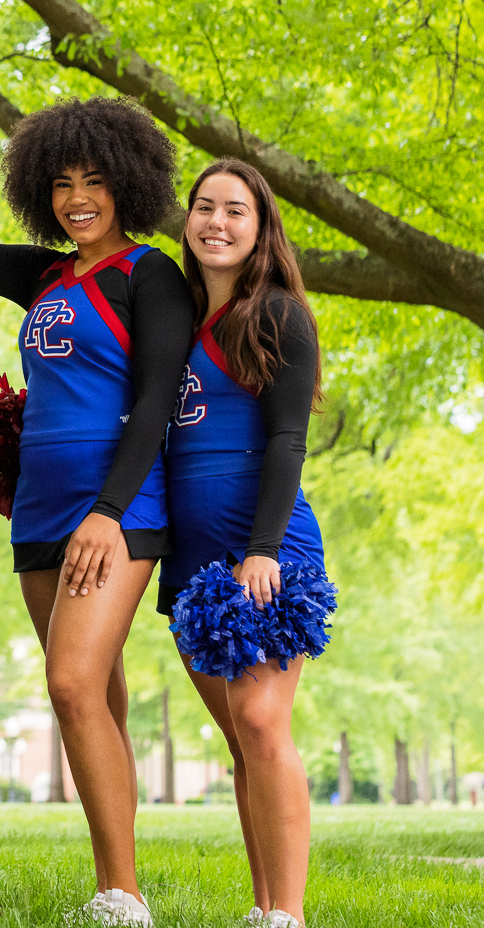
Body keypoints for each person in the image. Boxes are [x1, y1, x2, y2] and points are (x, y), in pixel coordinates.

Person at [0, 98, 191, 928]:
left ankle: (123, 896)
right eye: (64, 182)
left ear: (130, 187)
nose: (80, 198)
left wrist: (110, 512)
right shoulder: (45, 275)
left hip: (117, 509)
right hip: (36, 512)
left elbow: (154, 403)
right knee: (96, 700)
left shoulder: (151, 275)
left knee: (71, 684)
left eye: (97, 182)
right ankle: (119, 875)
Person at [161, 158, 328, 928]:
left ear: (260, 229)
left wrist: (262, 550)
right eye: (204, 207)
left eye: (235, 210)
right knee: (239, 737)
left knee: (261, 721)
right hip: (193, 561)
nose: (216, 222)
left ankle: (287, 916)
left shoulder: (278, 314)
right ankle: (261, 910)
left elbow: (290, 439)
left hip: (266, 548)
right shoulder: (171, 318)